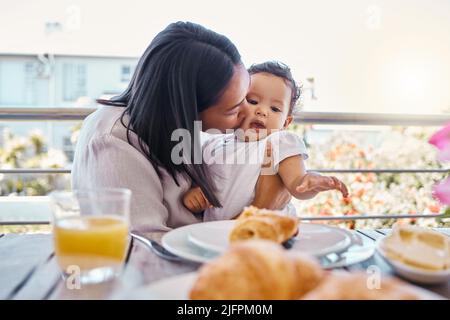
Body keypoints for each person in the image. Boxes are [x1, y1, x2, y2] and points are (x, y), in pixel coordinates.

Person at [72, 22, 291, 232]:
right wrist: (262, 209)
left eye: (247, 97)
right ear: (188, 108)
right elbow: (145, 251)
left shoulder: (186, 131)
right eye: (233, 110)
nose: (250, 113)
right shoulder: (113, 143)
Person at [182, 61, 349, 220]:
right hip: (217, 237)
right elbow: (203, 182)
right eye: (253, 101)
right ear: (236, 102)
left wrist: (309, 182)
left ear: (285, 122)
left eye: (275, 109)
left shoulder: (279, 141)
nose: (262, 111)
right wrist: (195, 194)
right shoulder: (215, 143)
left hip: (270, 232)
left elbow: (297, 185)